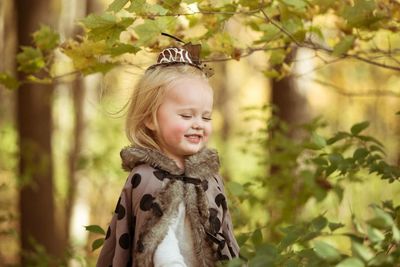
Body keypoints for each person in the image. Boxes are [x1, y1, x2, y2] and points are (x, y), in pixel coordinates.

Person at [96, 44, 240, 267]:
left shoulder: (210, 179)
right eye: (186, 115)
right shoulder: (145, 178)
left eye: (206, 117)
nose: (198, 125)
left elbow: (227, 242)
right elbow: (159, 245)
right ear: (150, 119)